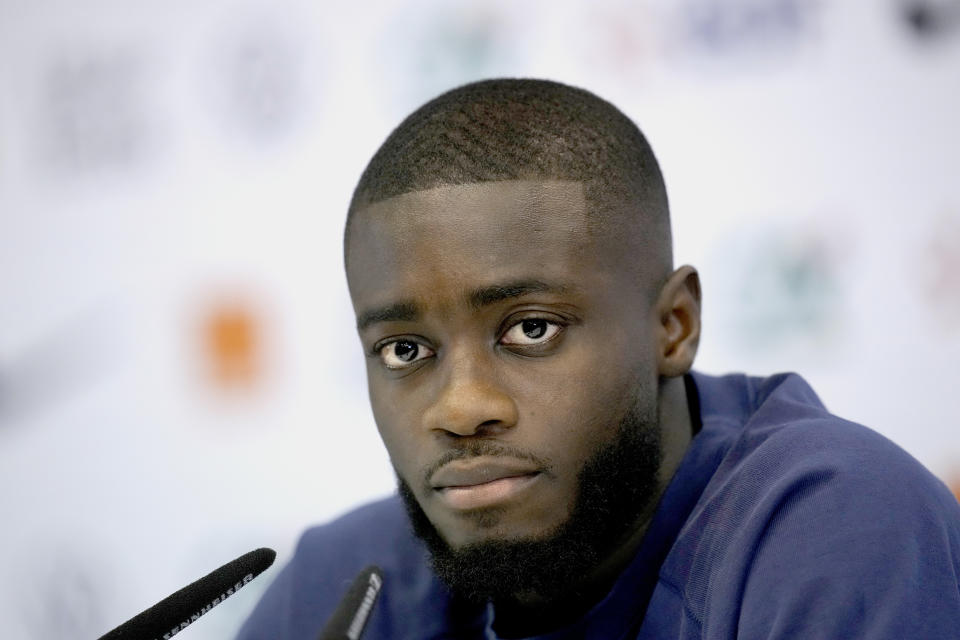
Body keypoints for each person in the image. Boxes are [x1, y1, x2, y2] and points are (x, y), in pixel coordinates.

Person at [237, 79, 960, 639]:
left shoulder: (836, 526)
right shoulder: (347, 584)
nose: (459, 407)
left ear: (673, 327)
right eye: (404, 349)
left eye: (530, 330)